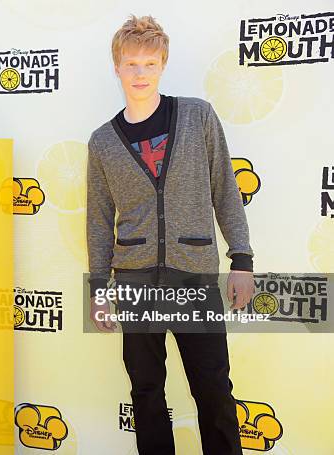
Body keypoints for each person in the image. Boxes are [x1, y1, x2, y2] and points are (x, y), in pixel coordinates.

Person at [86, 15, 255, 455]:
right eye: (131, 64)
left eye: (148, 63)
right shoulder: (102, 142)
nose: (140, 73)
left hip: (194, 277)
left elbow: (225, 188)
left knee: (213, 387)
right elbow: (100, 219)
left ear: (162, 65)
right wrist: (98, 287)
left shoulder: (197, 116)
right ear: (117, 68)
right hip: (136, 281)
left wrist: (242, 260)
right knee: (146, 391)